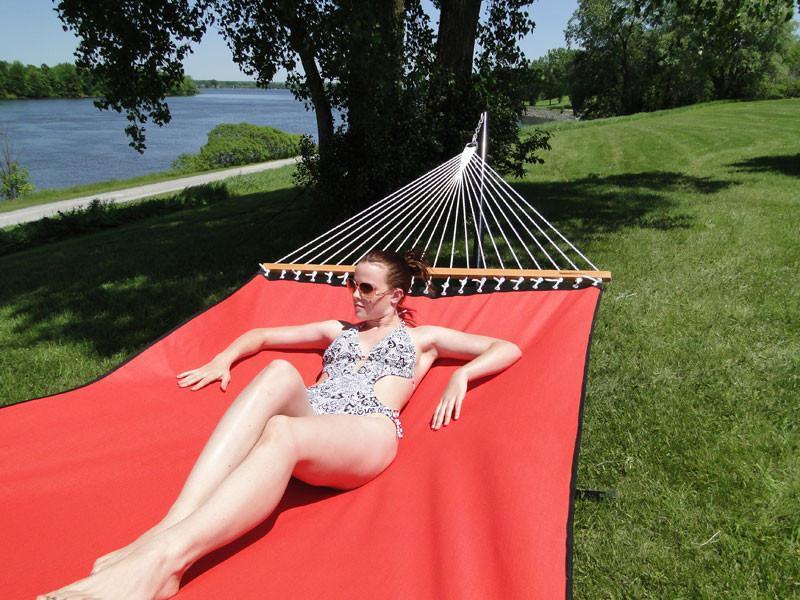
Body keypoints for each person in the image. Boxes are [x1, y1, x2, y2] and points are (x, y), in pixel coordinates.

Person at [38, 249, 522, 600]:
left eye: (366, 288)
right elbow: (262, 335)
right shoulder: (338, 332)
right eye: (351, 284)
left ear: (395, 296)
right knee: (278, 372)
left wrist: (463, 374)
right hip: (316, 411)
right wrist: (223, 359)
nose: (354, 294)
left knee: (282, 432)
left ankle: (164, 563)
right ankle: (167, 528)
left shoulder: (424, 340)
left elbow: (506, 347)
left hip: (364, 432)